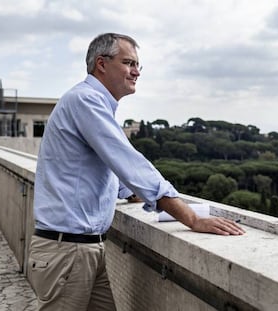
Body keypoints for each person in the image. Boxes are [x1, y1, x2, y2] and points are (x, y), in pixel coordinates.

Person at [28, 32, 245, 311]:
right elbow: (131, 164)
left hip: (82, 250)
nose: (136, 72)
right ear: (102, 64)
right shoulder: (85, 101)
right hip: (68, 252)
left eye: (138, 65)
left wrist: (130, 194)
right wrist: (190, 217)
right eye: (129, 63)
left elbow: (105, 170)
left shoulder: (92, 104)